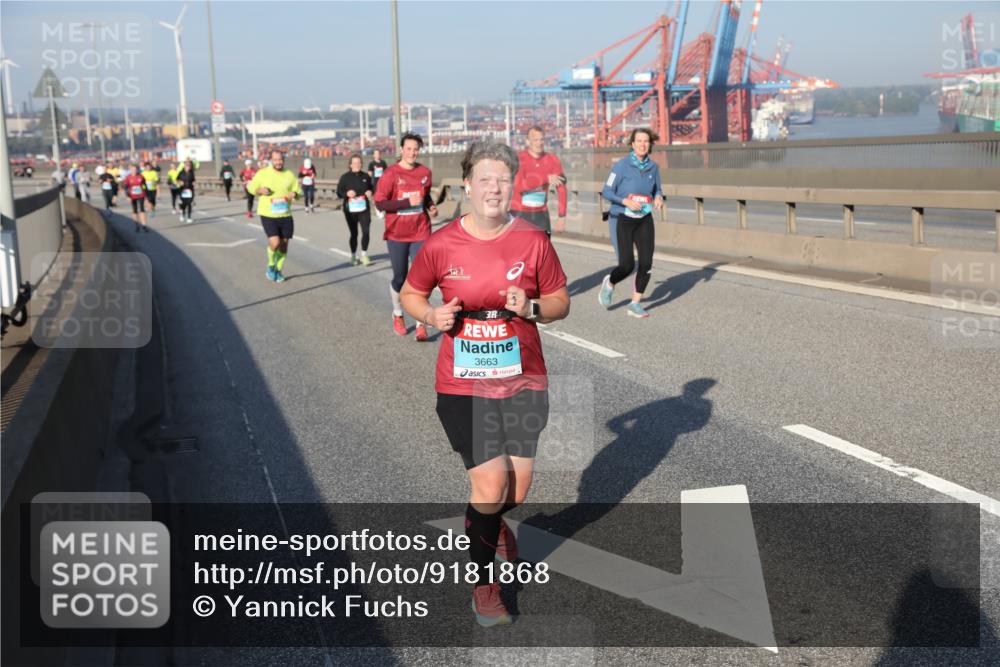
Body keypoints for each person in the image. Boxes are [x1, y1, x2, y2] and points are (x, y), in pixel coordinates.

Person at [400, 139, 570, 627]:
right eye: (485, 179)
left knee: (516, 492)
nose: (494, 188)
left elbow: (560, 301)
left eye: (502, 179)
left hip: (522, 379)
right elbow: (413, 293)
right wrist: (431, 313)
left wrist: (532, 307)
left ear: (512, 185)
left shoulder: (534, 240)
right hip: (463, 382)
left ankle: (493, 522)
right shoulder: (441, 243)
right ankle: (484, 585)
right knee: (490, 484)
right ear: (468, 185)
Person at [374, 133, 438, 340]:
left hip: (420, 231)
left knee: (421, 278)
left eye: (416, 149)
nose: (412, 152)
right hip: (397, 233)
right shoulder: (390, 174)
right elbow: (380, 203)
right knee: (400, 278)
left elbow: (424, 194)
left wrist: (430, 206)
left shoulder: (424, 172)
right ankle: (398, 313)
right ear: (401, 150)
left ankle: (421, 323)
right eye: (408, 149)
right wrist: (405, 203)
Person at [598, 128, 663, 319]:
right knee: (626, 265)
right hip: (623, 218)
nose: (643, 144)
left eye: (646, 141)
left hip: (644, 219)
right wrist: (625, 201)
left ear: (650, 144)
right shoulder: (621, 166)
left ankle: (635, 303)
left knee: (646, 263)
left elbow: (657, 189)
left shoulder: (654, 167)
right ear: (632, 144)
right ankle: (610, 283)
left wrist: (658, 197)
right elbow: (607, 192)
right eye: (639, 141)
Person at [246, 149, 301, 283]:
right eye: (275, 160)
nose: (278, 162)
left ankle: (278, 270)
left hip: (285, 214)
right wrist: (260, 190)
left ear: (283, 160)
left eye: (280, 159)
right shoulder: (263, 173)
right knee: (275, 242)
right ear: (271, 160)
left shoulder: (289, 175)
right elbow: (250, 187)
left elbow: (298, 190)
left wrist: (295, 194)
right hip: (268, 214)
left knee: (284, 246)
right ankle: (271, 265)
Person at [511, 125, 567, 236]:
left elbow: (561, 189)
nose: (539, 143)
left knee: (544, 251)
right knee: (522, 252)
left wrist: (562, 216)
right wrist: (545, 178)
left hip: (541, 214)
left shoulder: (552, 159)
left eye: (541, 139)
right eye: (535, 140)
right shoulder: (519, 159)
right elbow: (519, 186)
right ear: (528, 141)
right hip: (520, 213)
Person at [336, 154, 374, 266]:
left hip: (364, 209)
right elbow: (339, 192)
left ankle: (364, 254)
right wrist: (346, 194)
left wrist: (370, 192)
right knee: (354, 233)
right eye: (355, 163)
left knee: (366, 232)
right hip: (350, 211)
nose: (357, 165)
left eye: (359, 163)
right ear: (350, 165)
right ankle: (353, 256)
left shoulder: (366, 176)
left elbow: (372, 188)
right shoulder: (345, 177)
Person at [122, 162, 150, 233]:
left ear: (137, 170)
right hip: (132, 196)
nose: (134, 171)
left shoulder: (141, 176)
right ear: (130, 170)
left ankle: (144, 225)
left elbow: (145, 186)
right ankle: (136, 225)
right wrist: (127, 196)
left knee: (142, 209)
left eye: (135, 169)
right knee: (135, 211)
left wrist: (146, 197)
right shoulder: (128, 178)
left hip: (141, 195)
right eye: (132, 169)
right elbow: (125, 187)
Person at [367, 149, 388, 219]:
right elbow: (369, 174)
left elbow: (386, 172)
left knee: (383, 197)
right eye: (375, 154)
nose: (377, 155)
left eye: (378, 153)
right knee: (376, 197)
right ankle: (377, 210)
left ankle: (381, 209)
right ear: (373, 155)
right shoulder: (371, 164)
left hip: (382, 183)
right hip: (375, 183)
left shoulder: (383, 163)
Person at [175, 159, 197, 223]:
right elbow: (176, 180)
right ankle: (182, 214)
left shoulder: (192, 172)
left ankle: (189, 217)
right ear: (184, 165)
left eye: (189, 165)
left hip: (190, 190)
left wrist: (194, 183)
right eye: (186, 165)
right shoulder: (181, 172)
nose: (188, 166)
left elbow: (194, 180)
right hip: (183, 190)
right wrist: (179, 182)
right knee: (183, 204)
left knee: (189, 203)